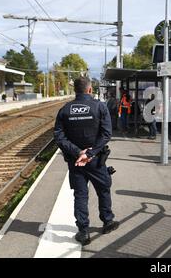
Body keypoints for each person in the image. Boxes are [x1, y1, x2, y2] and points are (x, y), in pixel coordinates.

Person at [54, 76, 118, 246]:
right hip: (96, 160)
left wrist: (77, 152)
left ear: (75, 90)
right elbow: (106, 134)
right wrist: (90, 153)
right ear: (90, 89)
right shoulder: (99, 107)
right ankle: (108, 221)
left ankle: (83, 232)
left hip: (76, 162)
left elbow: (59, 137)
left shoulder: (65, 110)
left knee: (80, 195)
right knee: (103, 189)